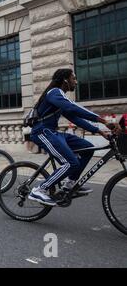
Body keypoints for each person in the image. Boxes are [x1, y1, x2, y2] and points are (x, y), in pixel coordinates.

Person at [28, 69, 120, 206]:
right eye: (74, 78)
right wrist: (103, 121)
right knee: (71, 163)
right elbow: (73, 108)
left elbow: (75, 118)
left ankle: (69, 185)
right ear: (65, 80)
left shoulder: (60, 98)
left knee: (88, 148)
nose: (76, 82)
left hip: (53, 132)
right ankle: (39, 189)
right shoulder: (54, 92)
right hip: (42, 132)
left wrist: (99, 131)